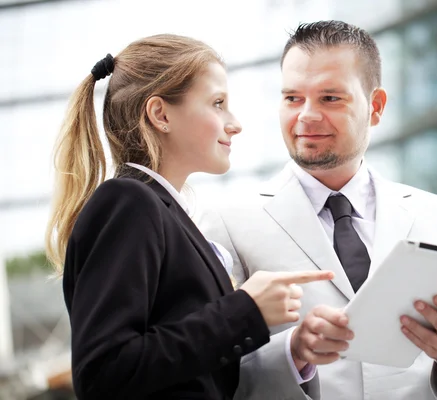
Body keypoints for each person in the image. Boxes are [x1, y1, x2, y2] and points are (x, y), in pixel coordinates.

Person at [199, 21, 437, 399]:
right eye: (293, 98)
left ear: (375, 107)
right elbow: (206, 364)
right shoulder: (227, 222)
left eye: (330, 98)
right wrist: (292, 353)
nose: (307, 116)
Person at [44, 34, 333, 400]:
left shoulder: (161, 210)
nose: (235, 123)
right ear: (160, 114)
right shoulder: (128, 202)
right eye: (217, 103)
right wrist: (245, 310)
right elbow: (103, 373)